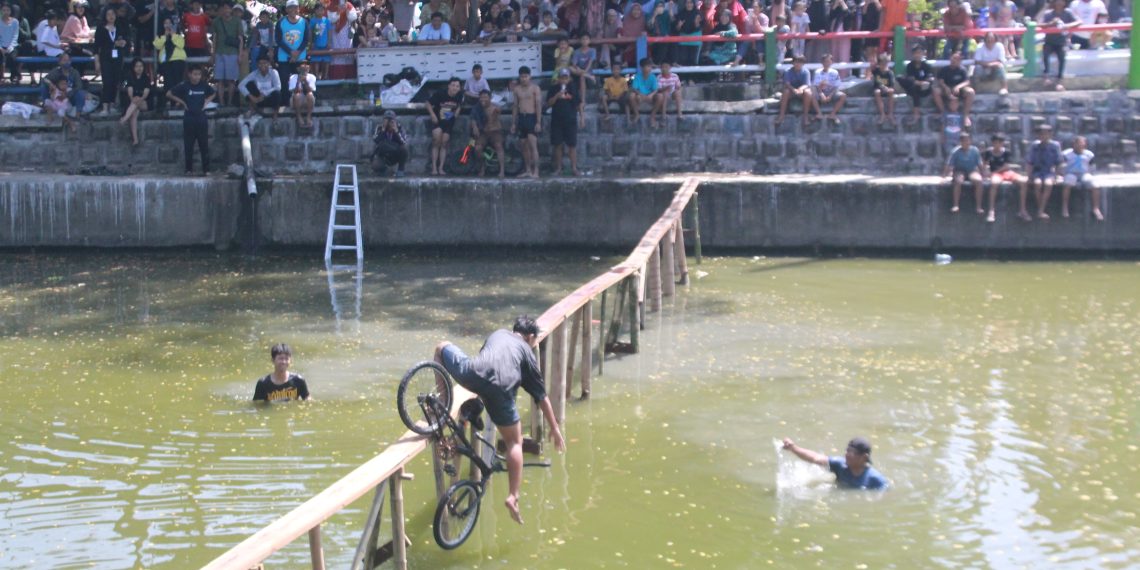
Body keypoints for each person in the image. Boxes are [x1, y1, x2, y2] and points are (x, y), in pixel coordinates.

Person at [434, 316, 566, 523]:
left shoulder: (498, 334)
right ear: (530, 337)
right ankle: (513, 495)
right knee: (514, 442)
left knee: (441, 348)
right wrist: (555, 429)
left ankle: (442, 406)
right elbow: (541, 396)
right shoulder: (526, 352)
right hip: (501, 392)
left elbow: (488, 361)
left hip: (474, 373)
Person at [781, 437, 888, 490]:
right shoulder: (840, 465)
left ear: (864, 457)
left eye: (852, 453)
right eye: (847, 451)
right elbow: (815, 458)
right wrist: (793, 448)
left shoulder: (876, 480)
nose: (846, 455)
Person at [166, 65, 216, 176]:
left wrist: (206, 101)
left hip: (201, 118)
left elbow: (213, 93)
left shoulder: (204, 85)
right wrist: (183, 102)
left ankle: (206, 169)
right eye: (194, 74)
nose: (197, 77)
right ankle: (188, 169)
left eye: (199, 74)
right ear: (189, 74)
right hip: (189, 118)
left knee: (204, 145)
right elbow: (169, 93)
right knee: (188, 145)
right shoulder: (185, 85)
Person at [982, 134, 1030, 222]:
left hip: (1006, 172)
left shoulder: (1006, 152)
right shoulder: (988, 152)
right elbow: (984, 165)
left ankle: (1022, 210)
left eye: (1000, 143)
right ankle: (991, 210)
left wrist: (993, 172)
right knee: (994, 183)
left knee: (1023, 182)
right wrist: (985, 173)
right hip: (996, 174)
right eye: (995, 143)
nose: (997, 145)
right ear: (992, 143)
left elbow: (1006, 166)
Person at [93, 7, 129, 116]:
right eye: (108, 14)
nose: (111, 16)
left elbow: (126, 40)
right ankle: (105, 106)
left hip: (117, 58)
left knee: (115, 81)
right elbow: (96, 47)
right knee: (107, 82)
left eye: (113, 14)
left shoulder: (120, 27)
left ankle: (112, 105)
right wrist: (97, 62)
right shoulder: (101, 28)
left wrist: (123, 42)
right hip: (105, 58)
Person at [547, 68, 581, 176]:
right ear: (559, 78)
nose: (564, 80)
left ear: (569, 78)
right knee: (557, 145)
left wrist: (582, 117)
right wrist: (557, 95)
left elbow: (578, 103)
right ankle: (558, 168)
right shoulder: (553, 88)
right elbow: (549, 103)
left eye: (566, 78)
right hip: (557, 120)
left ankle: (574, 168)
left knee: (572, 145)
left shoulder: (573, 88)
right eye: (562, 77)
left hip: (570, 119)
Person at [1025, 124, 1063, 220]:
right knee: (1037, 184)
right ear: (1038, 135)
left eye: (1046, 134)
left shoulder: (1055, 146)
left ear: (1050, 135)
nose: (1043, 136)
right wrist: (1029, 176)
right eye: (1041, 134)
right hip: (1037, 171)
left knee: (1048, 184)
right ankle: (1040, 209)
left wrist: (1058, 176)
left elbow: (1059, 162)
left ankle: (1041, 210)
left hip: (1049, 171)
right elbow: (1030, 162)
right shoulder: (1034, 145)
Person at [426, 76, 462, 175]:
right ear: (449, 86)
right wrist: (432, 115)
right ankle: (434, 167)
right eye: (453, 85)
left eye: (457, 86)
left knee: (444, 144)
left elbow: (459, 105)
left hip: (449, 122)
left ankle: (441, 168)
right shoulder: (440, 94)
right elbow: (428, 103)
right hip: (438, 121)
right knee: (436, 142)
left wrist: (456, 115)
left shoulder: (459, 95)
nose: (455, 88)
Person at [510, 65, 542, 178]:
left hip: (531, 117)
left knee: (533, 145)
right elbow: (514, 106)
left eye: (526, 76)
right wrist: (513, 123)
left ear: (530, 76)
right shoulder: (517, 89)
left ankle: (536, 171)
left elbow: (538, 105)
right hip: (521, 118)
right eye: (522, 76)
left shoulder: (535, 88)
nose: (524, 78)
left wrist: (538, 122)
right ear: (519, 77)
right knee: (523, 145)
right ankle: (528, 170)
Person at [210, 3, 243, 107]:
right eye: (224, 8)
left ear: (231, 9)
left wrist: (240, 54)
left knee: (231, 80)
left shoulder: (237, 21)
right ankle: (221, 102)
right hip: (219, 52)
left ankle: (229, 102)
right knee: (219, 79)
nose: (226, 10)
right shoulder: (216, 21)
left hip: (232, 53)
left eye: (228, 8)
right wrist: (213, 53)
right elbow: (214, 38)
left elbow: (240, 39)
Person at [1061, 136, 1102, 220]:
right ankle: (1065, 207)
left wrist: (1091, 175)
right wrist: (1061, 174)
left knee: (1094, 185)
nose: (1080, 145)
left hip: (1084, 174)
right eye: (1078, 143)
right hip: (1071, 173)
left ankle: (1096, 208)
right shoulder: (1066, 154)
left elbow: (1092, 167)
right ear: (1074, 144)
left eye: (1082, 143)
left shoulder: (1089, 154)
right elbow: (1061, 166)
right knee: (1068, 183)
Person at [1040, 0, 1077, 91]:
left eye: (1061, 1)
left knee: (1062, 57)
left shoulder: (1068, 12)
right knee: (1045, 54)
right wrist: (1050, 24)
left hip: (1061, 42)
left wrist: (1067, 26)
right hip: (1049, 41)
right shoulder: (1048, 14)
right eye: (1057, 1)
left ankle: (1059, 81)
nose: (1059, 3)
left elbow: (1079, 21)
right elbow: (1040, 24)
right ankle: (1046, 77)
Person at [944, 132, 984, 215]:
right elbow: (949, 164)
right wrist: (945, 175)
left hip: (972, 171)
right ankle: (955, 205)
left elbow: (980, 164)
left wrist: (984, 173)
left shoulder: (975, 150)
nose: (966, 142)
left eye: (967, 140)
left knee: (979, 181)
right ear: (960, 142)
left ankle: (978, 206)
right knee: (958, 181)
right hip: (959, 171)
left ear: (970, 141)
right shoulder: (955, 151)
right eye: (963, 141)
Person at [933, 52, 974, 127]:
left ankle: (966, 116)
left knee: (970, 92)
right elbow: (940, 81)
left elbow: (967, 81)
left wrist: (958, 87)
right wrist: (945, 87)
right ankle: (943, 113)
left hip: (959, 90)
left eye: (957, 59)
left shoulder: (962, 70)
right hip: (946, 90)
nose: (955, 60)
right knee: (936, 91)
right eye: (953, 58)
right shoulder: (944, 69)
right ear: (950, 58)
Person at [472, 90, 506, 177]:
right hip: (483, 133)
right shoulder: (477, 108)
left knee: (499, 146)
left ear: (490, 98)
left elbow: (498, 111)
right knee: (477, 148)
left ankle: (502, 170)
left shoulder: (494, 107)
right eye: (481, 97)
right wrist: (475, 127)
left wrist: (496, 111)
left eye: (485, 97)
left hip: (495, 132)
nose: (483, 99)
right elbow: (473, 118)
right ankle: (482, 167)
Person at [40, 52, 86, 117]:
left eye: (68, 60)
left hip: (70, 96)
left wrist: (68, 93)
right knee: (43, 87)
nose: (67, 62)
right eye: (64, 60)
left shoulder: (74, 72)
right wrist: (51, 84)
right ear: (59, 62)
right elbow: (44, 79)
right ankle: (47, 108)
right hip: (57, 96)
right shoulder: (56, 71)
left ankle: (78, 115)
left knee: (80, 93)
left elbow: (79, 86)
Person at [276, 0, 309, 86]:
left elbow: (306, 39)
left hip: (300, 57)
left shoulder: (304, 22)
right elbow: (278, 40)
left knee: (300, 82)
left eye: (295, 7)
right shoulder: (280, 22)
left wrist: (297, 52)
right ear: (286, 9)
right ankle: (285, 100)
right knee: (284, 82)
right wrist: (290, 52)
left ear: (298, 9)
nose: (293, 9)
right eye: (290, 7)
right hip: (284, 57)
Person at [119, 58, 152, 145]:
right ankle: (135, 139)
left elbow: (146, 94)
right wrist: (133, 99)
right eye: (137, 66)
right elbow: (130, 92)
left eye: (141, 66)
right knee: (134, 114)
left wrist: (138, 99)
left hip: (144, 103)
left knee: (137, 100)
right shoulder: (130, 78)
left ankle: (125, 118)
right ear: (133, 68)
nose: (139, 68)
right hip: (134, 103)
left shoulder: (146, 78)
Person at [238, 54, 282, 118]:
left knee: (277, 93)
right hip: (258, 99)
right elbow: (240, 85)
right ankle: (252, 109)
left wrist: (264, 93)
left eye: (265, 63)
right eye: (260, 63)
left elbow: (278, 87)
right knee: (249, 84)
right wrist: (252, 97)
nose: (262, 65)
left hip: (270, 99)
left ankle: (275, 115)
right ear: (257, 65)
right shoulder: (254, 73)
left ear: (269, 63)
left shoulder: (274, 72)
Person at [898, 44, 934, 120]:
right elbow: (911, 79)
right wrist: (920, 83)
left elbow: (930, 78)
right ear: (913, 54)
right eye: (916, 53)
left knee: (925, 86)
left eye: (919, 53)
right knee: (900, 78)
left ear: (923, 54)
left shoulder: (926, 66)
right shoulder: (910, 66)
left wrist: (925, 82)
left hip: (924, 89)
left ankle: (916, 114)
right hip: (914, 87)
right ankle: (916, 113)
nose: (917, 55)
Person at [775, 54, 811, 126]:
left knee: (808, 92)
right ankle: (781, 115)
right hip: (791, 91)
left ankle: (806, 116)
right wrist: (794, 90)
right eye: (796, 62)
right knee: (786, 92)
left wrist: (800, 89)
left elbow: (807, 84)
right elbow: (787, 84)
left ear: (803, 63)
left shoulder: (806, 72)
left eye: (800, 62)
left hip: (801, 92)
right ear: (793, 63)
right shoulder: (788, 71)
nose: (798, 64)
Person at [153, 17, 185, 95]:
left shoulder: (178, 35)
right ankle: (169, 102)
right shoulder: (160, 35)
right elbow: (157, 46)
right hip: (166, 62)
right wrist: (165, 36)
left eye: (169, 23)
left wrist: (173, 35)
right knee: (168, 83)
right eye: (165, 23)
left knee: (178, 82)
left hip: (178, 61)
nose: (168, 25)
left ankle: (178, 102)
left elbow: (181, 45)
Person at [372, 109, 409, 177]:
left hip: (395, 153)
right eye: (387, 119)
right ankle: (384, 170)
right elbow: (376, 140)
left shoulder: (399, 127)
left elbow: (403, 141)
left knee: (404, 149)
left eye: (391, 120)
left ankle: (400, 170)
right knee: (375, 165)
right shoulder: (379, 127)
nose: (389, 122)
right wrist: (383, 129)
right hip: (383, 155)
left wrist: (396, 131)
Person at [812, 52, 846, 125]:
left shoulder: (835, 72)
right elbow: (817, 86)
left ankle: (833, 114)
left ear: (831, 62)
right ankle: (819, 113)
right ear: (822, 62)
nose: (826, 63)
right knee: (811, 94)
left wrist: (830, 96)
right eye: (825, 61)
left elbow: (836, 86)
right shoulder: (818, 72)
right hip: (820, 92)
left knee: (843, 96)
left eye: (828, 61)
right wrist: (822, 95)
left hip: (831, 92)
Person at [629, 57, 660, 125]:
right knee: (631, 95)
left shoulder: (653, 77)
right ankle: (636, 114)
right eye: (648, 66)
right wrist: (640, 95)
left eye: (650, 66)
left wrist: (651, 95)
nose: (649, 68)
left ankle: (652, 116)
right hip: (640, 97)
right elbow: (634, 88)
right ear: (642, 67)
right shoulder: (637, 76)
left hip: (650, 97)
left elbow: (656, 90)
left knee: (660, 96)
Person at [288, 59, 316, 128]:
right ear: (298, 68)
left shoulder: (312, 77)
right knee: (297, 95)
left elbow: (311, 90)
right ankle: (299, 117)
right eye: (303, 65)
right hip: (296, 100)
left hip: (308, 99)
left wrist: (305, 81)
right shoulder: (293, 77)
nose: (306, 66)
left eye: (307, 65)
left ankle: (308, 117)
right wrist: (298, 81)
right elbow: (293, 91)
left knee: (310, 95)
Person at [870, 53, 896, 125]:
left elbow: (892, 85)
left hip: (887, 89)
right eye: (882, 63)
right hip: (878, 89)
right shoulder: (876, 71)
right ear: (879, 64)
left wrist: (886, 88)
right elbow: (872, 69)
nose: (883, 65)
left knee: (891, 91)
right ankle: (882, 114)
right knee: (877, 92)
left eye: (885, 63)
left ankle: (890, 113)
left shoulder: (890, 73)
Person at [309, 3, 331, 79]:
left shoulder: (327, 21)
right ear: (315, 11)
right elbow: (311, 32)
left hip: (325, 44)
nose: (320, 12)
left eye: (321, 10)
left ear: (324, 11)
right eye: (318, 10)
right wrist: (311, 42)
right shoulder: (312, 20)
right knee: (316, 61)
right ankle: (316, 76)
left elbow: (329, 32)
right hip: (316, 44)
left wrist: (329, 42)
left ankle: (325, 76)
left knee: (326, 60)